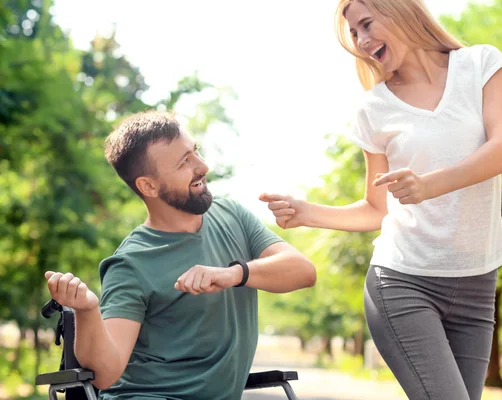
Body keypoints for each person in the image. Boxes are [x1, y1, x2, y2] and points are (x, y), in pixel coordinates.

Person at [260, 0, 502, 399]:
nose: (362, 41)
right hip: (404, 281)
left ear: (399, 10)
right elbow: (377, 209)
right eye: (354, 34)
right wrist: (308, 212)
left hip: (477, 286)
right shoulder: (373, 108)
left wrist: (430, 185)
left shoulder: (481, 65)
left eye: (366, 24)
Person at [44, 110, 316, 400]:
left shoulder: (231, 216)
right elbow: (105, 375)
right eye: (184, 162)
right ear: (148, 185)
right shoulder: (130, 263)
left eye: (195, 151)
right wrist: (88, 311)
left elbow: (303, 271)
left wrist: (233, 274)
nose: (203, 166)